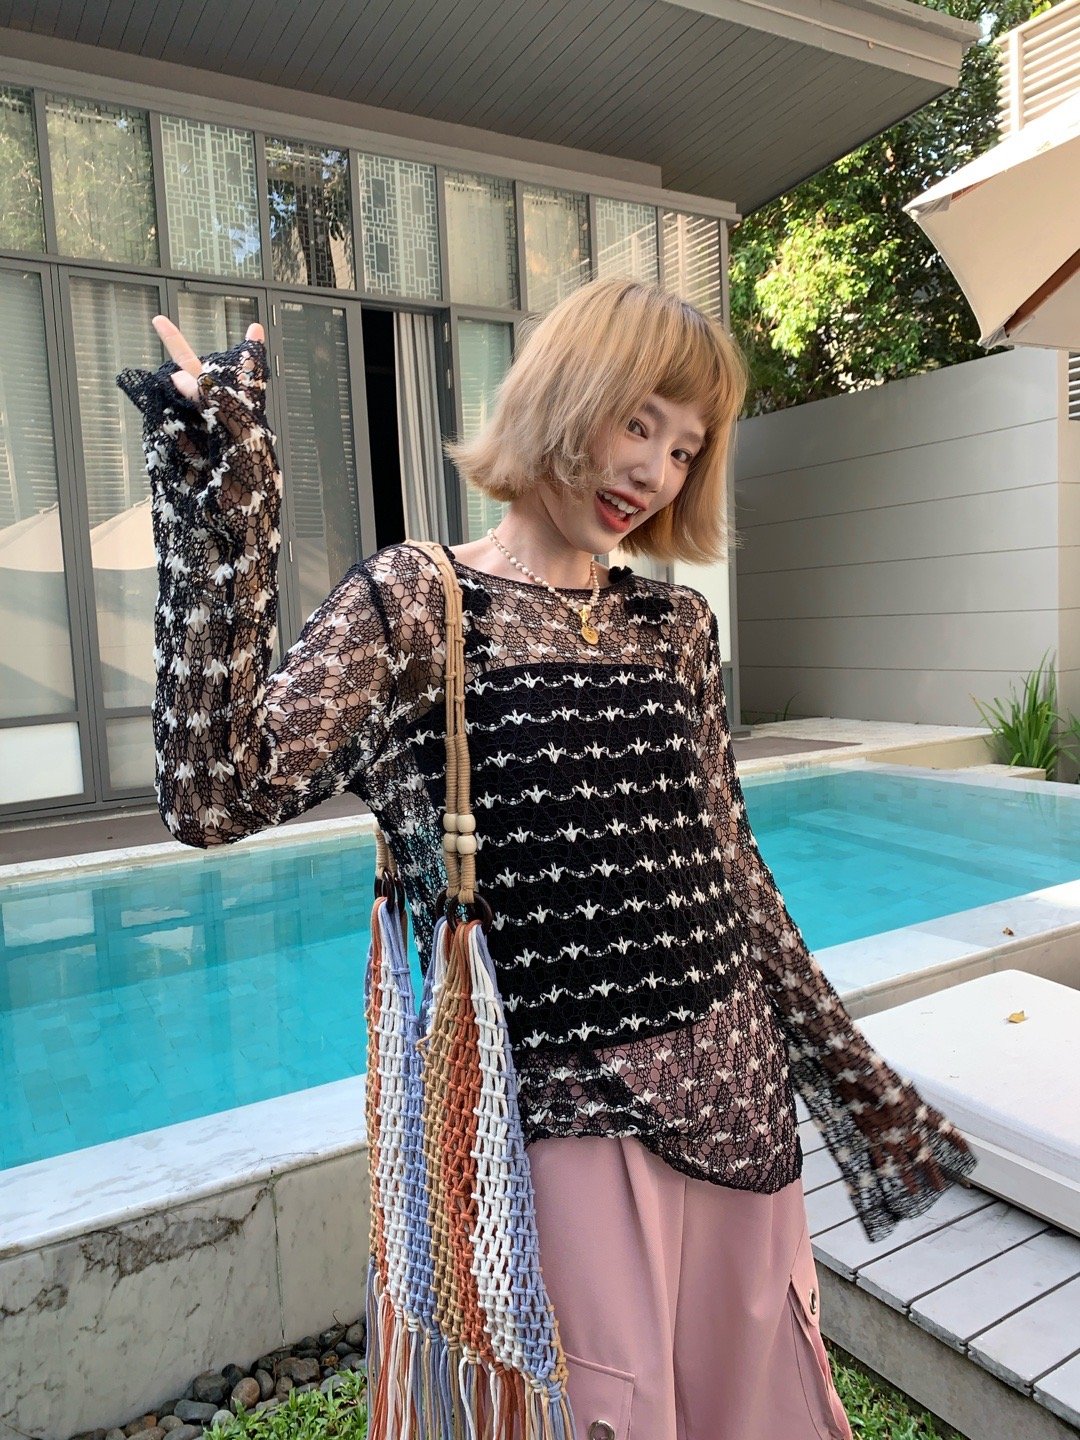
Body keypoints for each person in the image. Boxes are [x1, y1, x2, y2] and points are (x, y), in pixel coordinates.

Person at [117, 279, 976, 1440]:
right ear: (567, 397)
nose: (656, 472)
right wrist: (226, 514)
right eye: (639, 423)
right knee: (600, 1405)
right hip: (564, 1113)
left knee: (756, 1398)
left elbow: (734, 875)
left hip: (735, 1086)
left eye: (686, 448)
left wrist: (854, 1082)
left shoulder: (675, 627)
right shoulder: (418, 604)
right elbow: (212, 793)